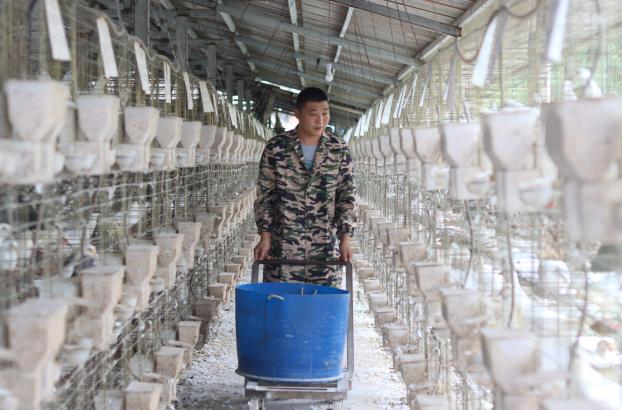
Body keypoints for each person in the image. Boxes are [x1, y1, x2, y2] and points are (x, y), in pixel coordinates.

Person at [253, 87, 357, 287]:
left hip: (324, 249)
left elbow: (347, 196)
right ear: (298, 114)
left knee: (322, 307)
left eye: (325, 113)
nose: (320, 120)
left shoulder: (338, 150)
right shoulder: (277, 148)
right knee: (282, 306)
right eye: (313, 114)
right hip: (283, 249)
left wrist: (345, 238)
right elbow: (265, 195)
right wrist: (264, 236)